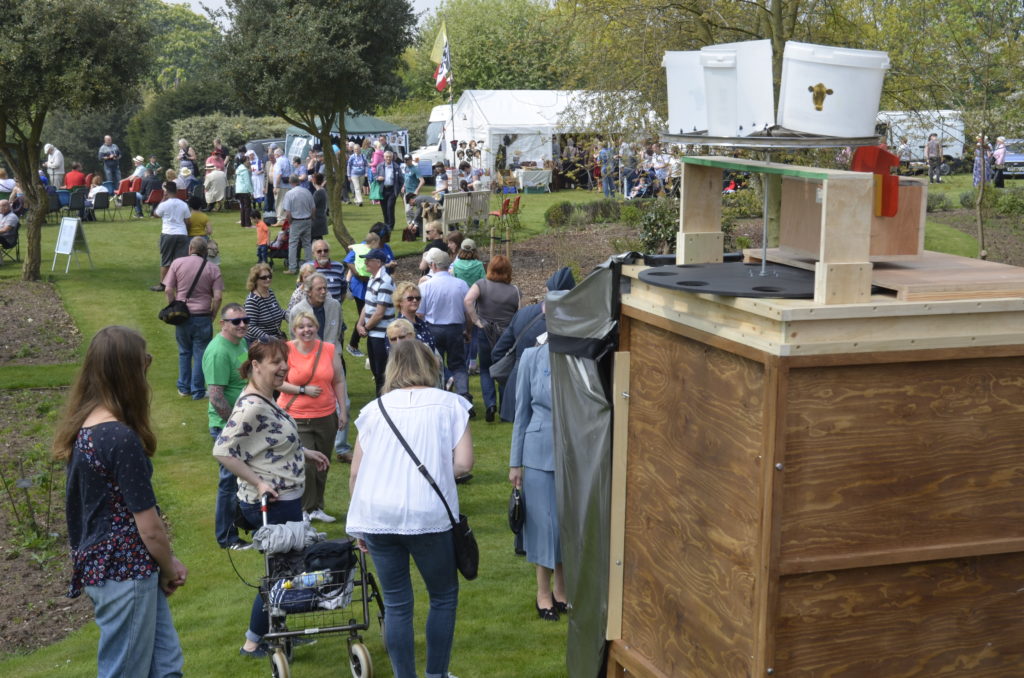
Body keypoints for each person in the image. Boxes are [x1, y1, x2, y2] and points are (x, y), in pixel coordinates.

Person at [55, 326, 187, 676]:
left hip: (118, 568)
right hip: (124, 571)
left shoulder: (86, 426)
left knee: (166, 668)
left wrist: (161, 564)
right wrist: (169, 567)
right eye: (145, 361)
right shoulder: (118, 437)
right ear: (127, 371)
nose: (148, 369)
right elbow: (149, 526)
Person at [346, 339, 474, 678]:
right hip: (428, 514)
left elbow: (356, 472)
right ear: (431, 365)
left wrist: (359, 526)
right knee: (443, 596)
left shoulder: (375, 409)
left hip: (377, 516)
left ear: (392, 369)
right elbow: (463, 464)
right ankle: (436, 674)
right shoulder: (451, 405)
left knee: (398, 603)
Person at [213, 340, 330, 658]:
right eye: (276, 362)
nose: (283, 367)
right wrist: (259, 482)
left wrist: (305, 452)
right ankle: (253, 641)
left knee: (290, 570)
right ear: (255, 366)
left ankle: (282, 632)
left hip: (285, 500)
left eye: (285, 362)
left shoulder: (267, 397)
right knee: (282, 573)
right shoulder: (251, 405)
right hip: (270, 504)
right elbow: (223, 450)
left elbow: (270, 441)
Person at [508, 335, 566, 621]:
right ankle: (543, 593)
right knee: (543, 525)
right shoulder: (531, 356)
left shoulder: (581, 353)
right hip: (538, 451)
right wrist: (515, 462)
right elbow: (521, 412)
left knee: (566, 522)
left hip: (574, 452)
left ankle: (561, 589)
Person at [278, 311, 348, 523]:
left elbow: (338, 381)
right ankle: (304, 508)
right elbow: (276, 382)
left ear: (317, 327)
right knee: (306, 464)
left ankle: (317, 506)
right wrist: (302, 390)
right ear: (294, 330)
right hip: (296, 416)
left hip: (326, 415)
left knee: (322, 463)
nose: (306, 330)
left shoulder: (328, 349)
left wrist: (342, 410)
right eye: (301, 327)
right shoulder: (286, 350)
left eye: (310, 326)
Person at [492, 267, 575, 423]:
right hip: (548, 389)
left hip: (517, 383)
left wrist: (511, 379)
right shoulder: (569, 322)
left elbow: (498, 352)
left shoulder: (523, 313)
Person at [202, 303, 253, 550]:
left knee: (243, 478)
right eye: (236, 321)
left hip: (243, 423)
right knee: (229, 481)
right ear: (223, 324)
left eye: (245, 319)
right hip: (227, 426)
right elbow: (216, 396)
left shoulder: (240, 343)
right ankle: (227, 537)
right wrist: (234, 424)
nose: (242, 324)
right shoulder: (218, 352)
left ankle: (245, 524)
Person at [163, 237, 222, 399]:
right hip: (203, 315)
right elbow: (217, 297)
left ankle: (183, 387)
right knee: (201, 354)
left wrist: (173, 306)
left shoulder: (177, 263)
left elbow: (168, 290)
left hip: (182, 315)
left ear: (190, 248)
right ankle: (198, 390)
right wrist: (213, 314)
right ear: (205, 252)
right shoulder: (213, 269)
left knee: (184, 352)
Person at [464, 255, 520, 422]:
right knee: (504, 370)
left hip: (485, 331)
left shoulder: (481, 284)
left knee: (486, 370)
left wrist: (476, 321)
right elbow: (519, 313)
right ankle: (505, 409)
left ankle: (490, 404)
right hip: (506, 335)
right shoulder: (514, 290)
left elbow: (468, 300)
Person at [419, 248, 473, 410]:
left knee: (434, 364)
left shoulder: (426, 286)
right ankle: (463, 396)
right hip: (455, 329)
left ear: (433, 265)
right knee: (458, 365)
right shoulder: (461, 285)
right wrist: (468, 331)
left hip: (433, 329)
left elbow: (420, 314)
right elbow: (468, 312)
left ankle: (438, 399)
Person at [356, 249, 396, 395]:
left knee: (382, 374)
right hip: (373, 334)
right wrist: (359, 324)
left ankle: (384, 403)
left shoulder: (385, 282)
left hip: (381, 336)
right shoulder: (373, 279)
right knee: (376, 371)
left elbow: (379, 313)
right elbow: (367, 305)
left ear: (378, 263)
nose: (365, 262)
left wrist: (365, 328)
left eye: (368, 260)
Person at [151, 181, 192, 292]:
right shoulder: (183, 204)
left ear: (166, 192)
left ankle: (163, 284)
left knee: (166, 260)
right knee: (181, 260)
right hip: (181, 233)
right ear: (177, 191)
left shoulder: (164, 204)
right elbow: (187, 221)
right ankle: (181, 284)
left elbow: (155, 214)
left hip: (168, 233)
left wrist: (162, 199)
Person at [244, 263, 286, 343]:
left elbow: (278, 311)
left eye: (269, 276)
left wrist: (290, 315)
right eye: (264, 277)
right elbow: (251, 326)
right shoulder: (252, 300)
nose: (268, 279)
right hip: (258, 342)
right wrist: (269, 339)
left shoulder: (270, 292)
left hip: (275, 337)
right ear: (255, 280)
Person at [282, 175, 314, 274]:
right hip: (307, 219)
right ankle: (310, 267)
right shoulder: (307, 192)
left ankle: (292, 268)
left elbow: (288, 211)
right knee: (307, 244)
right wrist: (311, 219)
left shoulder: (289, 194)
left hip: (296, 221)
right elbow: (313, 208)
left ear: (290, 182)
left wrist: (290, 221)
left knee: (293, 244)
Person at [310, 238, 348, 303]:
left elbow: (344, 289)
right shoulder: (308, 268)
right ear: (313, 253)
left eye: (326, 250)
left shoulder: (339, 267)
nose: (323, 253)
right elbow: (300, 290)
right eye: (319, 251)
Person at [347, 142, 368, 207]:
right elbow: (348, 166)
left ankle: (356, 199)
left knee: (360, 187)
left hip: (362, 174)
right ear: (353, 150)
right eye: (355, 149)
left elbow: (366, 165)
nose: (357, 150)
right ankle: (360, 201)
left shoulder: (363, 156)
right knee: (357, 187)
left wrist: (366, 172)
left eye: (358, 149)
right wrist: (349, 175)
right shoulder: (352, 157)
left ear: (360, 149)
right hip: (354, 174)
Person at [235, 154, 253, 228]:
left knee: (243, 207)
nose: (249, 162)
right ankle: (248, 224)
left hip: (239, 190)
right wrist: (251, 191)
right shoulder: (244, 170)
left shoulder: (239, 169)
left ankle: (243, 223)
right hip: (245, 190)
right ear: (244, 161)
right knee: (247, 207)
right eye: (248, 160)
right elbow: (247, 182)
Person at [311, 172, 328, 239]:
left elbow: (312, 206)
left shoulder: (318, 193)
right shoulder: (322, 190)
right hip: (320, 218)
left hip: (317, 219)